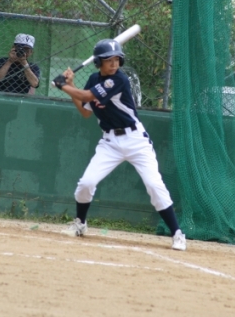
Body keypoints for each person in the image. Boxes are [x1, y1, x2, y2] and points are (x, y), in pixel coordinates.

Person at [52, 39, 186, 251]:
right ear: (99, 62)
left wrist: (64, 86)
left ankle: (177, 233)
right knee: (86, 183)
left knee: (154, 185)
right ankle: (80, 223)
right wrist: (71, 86)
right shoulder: (94, 79)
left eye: (117, 59)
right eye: (109, 60)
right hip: (110, 142)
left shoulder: (118, 80)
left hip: (136, 140)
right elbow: (85, 110)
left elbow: (87, 95)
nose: (114, 64)